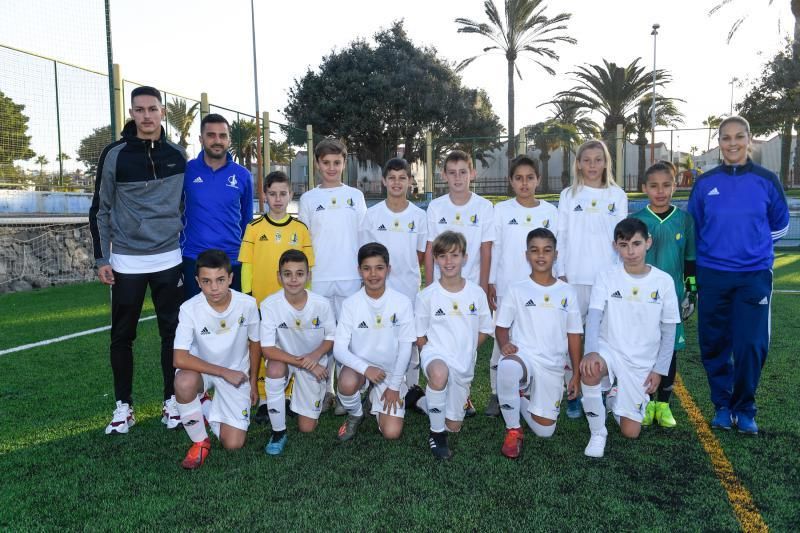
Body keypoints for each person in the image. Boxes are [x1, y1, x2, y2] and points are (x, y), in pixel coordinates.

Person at [89, 85, 188, 435]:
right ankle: (123, 407)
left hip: (169, 258)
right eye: (139, 109)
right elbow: (100, 208)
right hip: (127, 261)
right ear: (131, 113)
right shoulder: (115, 154)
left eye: (152, 109)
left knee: (172, 334)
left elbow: (184, 205)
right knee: (122, 335)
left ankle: (171, 402)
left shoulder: (178, 154)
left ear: (162, 112)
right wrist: (102, 258)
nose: (146, 115)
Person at [688, 116, 789, 434]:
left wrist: (751, 245)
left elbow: (781, 224)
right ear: (719, 143)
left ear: (749, 140)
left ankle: (744, 408)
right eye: (726, 138)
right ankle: (721, 406)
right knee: (714, 344)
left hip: (753, 276)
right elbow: (696, 226)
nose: (732, 143)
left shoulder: (766, 180)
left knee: (750, 346)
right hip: (713, 275)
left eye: (739, 137)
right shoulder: (705, 183)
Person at [579, 218, 680, 458]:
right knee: (590, 370)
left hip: (641, 362)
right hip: (610, 349)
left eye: (636, 244)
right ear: (615, 246)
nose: (630, 251)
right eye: (624, 245)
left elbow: (669, 331)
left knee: (630, 432)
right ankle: (598, 433)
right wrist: (591, 351)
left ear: (648, 243)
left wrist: (659, 369)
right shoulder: (606, 276)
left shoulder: (663, 281)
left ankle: (615, 397)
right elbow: (594, 317)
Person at [494, 228, 582, 458]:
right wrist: (504, 344)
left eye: (547, 250)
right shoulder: (517, 289)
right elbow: (501, 327)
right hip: (525, 356)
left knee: (545, 431)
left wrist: (576, 374)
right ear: (527, 255)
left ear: (556, 255)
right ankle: (513, 429)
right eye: (535, 250)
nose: (540, 256)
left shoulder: (567, 292)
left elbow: (574, 334)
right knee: (507, 366)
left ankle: (519, 397)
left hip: (552, 364)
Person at [556, 139, 628, 419]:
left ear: (606, 162)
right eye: (587, 160)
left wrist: (618, 275)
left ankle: (600, 390)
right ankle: (572, 390)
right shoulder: (568, 195)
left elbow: (621, 240)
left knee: (604, 338)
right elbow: (560, 236)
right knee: (571, 338)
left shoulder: (617, 195)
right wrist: (560, 272)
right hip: (573, 277)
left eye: (598, 159)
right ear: (578, 164)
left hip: (606, 280)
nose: (593, 165)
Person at [172, 250, 261, 469]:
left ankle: (204, 405)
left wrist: (253, 381)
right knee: (184, 382)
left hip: (237, 373)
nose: (214, 288)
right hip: (203, 371)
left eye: (220, 280)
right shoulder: (189, 308)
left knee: (233, 444)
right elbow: (179, 358)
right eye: (206, 281)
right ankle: (200, 442)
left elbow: (255, 343)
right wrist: (222, 372)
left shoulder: (248, 304)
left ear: (231, 278)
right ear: (197, 282)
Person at [298, 137, 367, 412]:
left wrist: (363, 272)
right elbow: (303, 241)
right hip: (320, 278)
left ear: (344, 163)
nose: (331, 167)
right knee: (323, 337)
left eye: (336, 162)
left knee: (348, 337)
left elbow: (363, 237)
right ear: (317, 164)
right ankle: (323, 392)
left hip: (350, 277)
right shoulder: (308, 199)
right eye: (326, 163)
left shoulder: (355, 196)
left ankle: (345, 392)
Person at [239, 170, 314, 422]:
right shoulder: (253, 227)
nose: (278, 199)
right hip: (262, 303)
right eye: (273, 194)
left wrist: (305, 301)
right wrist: (249, 300)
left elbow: (308, 267)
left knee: (290, 346)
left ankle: (289, 395)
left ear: (291, 195)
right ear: (265, 196)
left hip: (292, 303)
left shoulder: (300, 229)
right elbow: (246, 265)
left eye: (283, 193)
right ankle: (263, 398)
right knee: (261, 348)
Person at [485, 155, 558, 417]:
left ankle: (529, 390)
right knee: (500, 341)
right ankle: (496, 393)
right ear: (511, 182)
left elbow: (555, 249)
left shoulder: (550, 212)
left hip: (540, 290)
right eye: (518, 178)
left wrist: (557, 280)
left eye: (529, 178)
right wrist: (492, 281)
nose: (524, 184)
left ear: (538, 179)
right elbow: (497, 247)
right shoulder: (502, 210)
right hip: (507, 288)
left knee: (534, 338)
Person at [424, 150, 494, 417]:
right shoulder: (436, 207)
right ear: (444, 176)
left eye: (463, 172)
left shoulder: (484, 207)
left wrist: (485, 287)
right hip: (443, 288)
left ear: (472, 174)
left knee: (467, 345)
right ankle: (440, 390)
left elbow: (486, 251)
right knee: (442, 338)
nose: (457, 177)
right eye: (452, 172)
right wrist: (430, 287)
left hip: (472, 290)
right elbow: (431, 250)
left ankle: (462, 394)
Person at [416, 231, 493, 459]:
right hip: (436, 355)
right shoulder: (427, 296)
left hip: (463, 363)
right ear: (436, 260)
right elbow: (420, 337)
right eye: (442, 256)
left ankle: (420, 401)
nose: (448, 262)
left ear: (465, 258)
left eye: (454, 255)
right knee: (439, 375)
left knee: (454, 426)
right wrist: (431, 357)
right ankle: (437, 436)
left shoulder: (476, 293)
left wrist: (467, 349)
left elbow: (485, 330)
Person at [632, 161, 696, 428]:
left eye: (667, 185)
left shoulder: (684, 219)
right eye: (654, 186)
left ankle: (664, 404)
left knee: (669, 350)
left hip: (673, 299)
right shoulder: (638, 221)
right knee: (643, 349)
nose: (661, 191)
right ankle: (645, 403)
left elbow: (690, 259)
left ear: (675, 186)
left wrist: (691, 291)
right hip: (642, 299)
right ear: (645, 188)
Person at [359, 158, 427, 411]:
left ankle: (410, 390)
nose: (397, 182)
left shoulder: (419, 216)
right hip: (377, 291)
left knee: (408, 342)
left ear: (410, 181)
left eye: (402, 177)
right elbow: (366, 254)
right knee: (378, 336)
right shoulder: (373, 215)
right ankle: (372, 388)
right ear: (384, 181)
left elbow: (420, 255)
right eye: (392, 178)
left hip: (408, 290)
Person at [333, 243, 416, 441]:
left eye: (379, 268)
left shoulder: (402, 302)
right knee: (346, 383)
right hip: (360, 369)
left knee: (392, 433)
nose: (373, 274)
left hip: (389, 373)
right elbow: (339, 350)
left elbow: (406, 349)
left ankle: (373, 397)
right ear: (359, 270)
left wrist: (394, 386)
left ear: (388, 269)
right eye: (366, 268)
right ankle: (356, 414)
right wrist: (365, 368)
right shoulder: (351, 304)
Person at [260, 250, 336, 455]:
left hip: (313, 362)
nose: (294, 279)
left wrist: (313, 357)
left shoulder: (321, 303)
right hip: (285, 360)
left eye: (300, 274)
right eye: (287, 274)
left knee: (307, 428)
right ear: (279, 276)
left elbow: (331, 337)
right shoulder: (269, 305)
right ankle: (278, 431)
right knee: (274, 370)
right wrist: (305, 362)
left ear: (308, 276)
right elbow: (267, 349)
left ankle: (297, 400)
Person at [180, 113, 253, 298]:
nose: (217, 140)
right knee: (196, 321)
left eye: (223, 135)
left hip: (232, 260)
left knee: (231, 322)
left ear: (229, 140)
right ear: (201, 139)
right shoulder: (186, 171)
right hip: (193, 259)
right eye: (211, 135)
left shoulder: (243, 175)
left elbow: (247, 220)